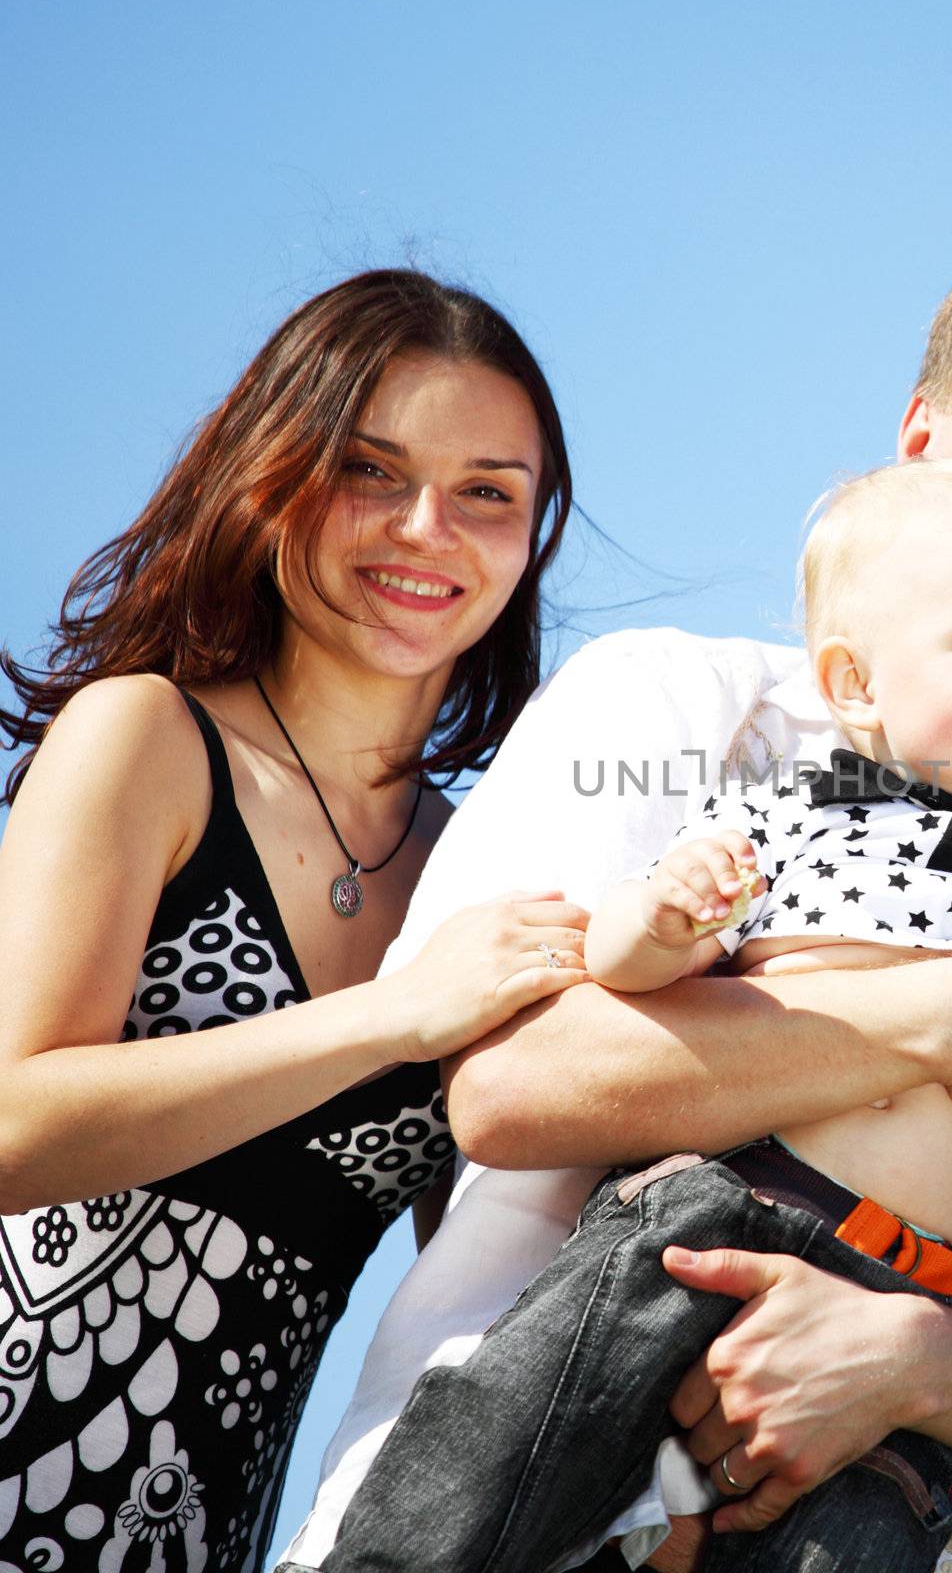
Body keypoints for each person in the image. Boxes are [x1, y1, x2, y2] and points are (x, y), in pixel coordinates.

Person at [280, 193, 952, 1573]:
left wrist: (909, 1363)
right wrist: (938, 1025)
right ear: (923, 438)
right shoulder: (684, 713)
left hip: (885, 1497)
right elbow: (513, 1087)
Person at [0, 270, 589, 1573]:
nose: (428, 528)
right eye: (372, 470)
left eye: (488, 492)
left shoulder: (477, 872)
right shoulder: (147, 739)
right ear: (273, 476)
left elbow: (484, 1293)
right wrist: (389, 1017)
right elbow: (11, 1127)